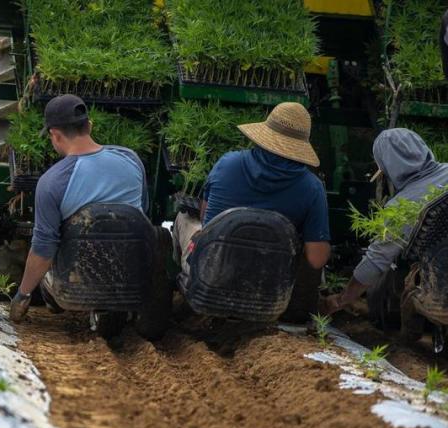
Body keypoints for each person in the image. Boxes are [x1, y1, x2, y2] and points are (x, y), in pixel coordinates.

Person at [9, 94, 148, 322]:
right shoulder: (131, 159)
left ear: (54, 134)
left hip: (76, 285)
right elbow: (143, 214)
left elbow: (43, 249)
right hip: (130, 273)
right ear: (89, 125)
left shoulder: (52, 182)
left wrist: (22, 295)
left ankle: (55, 303)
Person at [173, 102, 331, 279]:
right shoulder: (312, 187)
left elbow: (206, 220)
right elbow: (316, 260)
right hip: (269, 281)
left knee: (184, 217)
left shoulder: (227, 164)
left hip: (213, 272)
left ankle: (182, 285)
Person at [324, 129, 448, 315]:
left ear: (386, 165)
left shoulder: (400, 207)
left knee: (407, 290)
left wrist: (342, 299)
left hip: (441, 289)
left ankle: (407, 338)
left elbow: (376, 261)